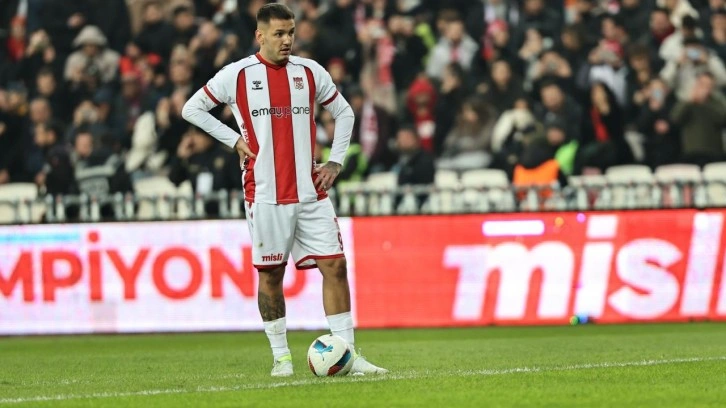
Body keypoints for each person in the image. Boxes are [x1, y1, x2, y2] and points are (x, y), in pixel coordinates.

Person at [181, 3, 387, 377]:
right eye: (279, 33)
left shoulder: (309, 72)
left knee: (336, 266)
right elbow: (192, 109)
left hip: (310, 191)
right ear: (260, 36)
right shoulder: (237, 75)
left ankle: (349, 355)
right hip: (265, 193)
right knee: (272, 275)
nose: (287, 40)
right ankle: (281, 358)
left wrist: (335, 162)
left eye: (290, 32)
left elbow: (345, 113)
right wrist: (232, 139)